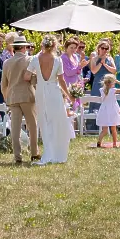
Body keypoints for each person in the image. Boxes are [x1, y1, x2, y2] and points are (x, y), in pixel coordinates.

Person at [30, 35, 72, 165]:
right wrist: (69, 95)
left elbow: (27, 75)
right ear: (54, 46)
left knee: (44, 121)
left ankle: (48, 151)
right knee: (57, 120)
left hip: (40, 92)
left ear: (43, 45)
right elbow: (61, 80)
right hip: (54, 92)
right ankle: (57, 152)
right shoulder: (58, 60)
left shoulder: (35, 59)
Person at [0, 35, 39, 164]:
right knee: (32, 126)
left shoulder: (6, 62)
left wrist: (7, 97)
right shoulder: (30, 60)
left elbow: (3, 84)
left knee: (15, 128)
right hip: (27, 95)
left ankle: (17, 156)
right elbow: (34, 80)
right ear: (23, 47)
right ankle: (34, 153)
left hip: (12, 96)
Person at [95, 74, 120, 149]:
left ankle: (99, 141)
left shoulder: (101, 90)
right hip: (113, 110)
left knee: (105, 130)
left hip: (104, 110)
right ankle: (114, 144)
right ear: (112, 83)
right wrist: (119, 83)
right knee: (113, 129)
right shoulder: (113, 90)